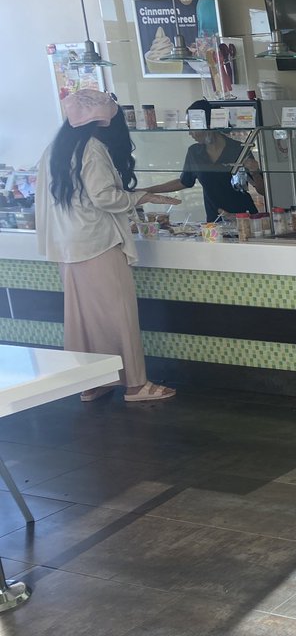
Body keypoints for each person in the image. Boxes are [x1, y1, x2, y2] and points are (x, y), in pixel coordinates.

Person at [35, 89, 179, 402]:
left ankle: (92, 381)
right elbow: (104, 197)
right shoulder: (92, 148)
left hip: (67, 247)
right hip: (98, 243)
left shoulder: (54, 149)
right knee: (119, 315)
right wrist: (142, 196)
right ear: (103, 122)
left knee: (82, 319)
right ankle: (135, 384)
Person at [142, 99, 264, 222]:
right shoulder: (194, 152)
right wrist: (147, 191)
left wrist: (255, 171)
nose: (190, 133)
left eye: (192, 127)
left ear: (207, 124)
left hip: (244, 218)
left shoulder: (238, 149)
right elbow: (184, 182)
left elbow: (262, 190)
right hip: (215, 223)